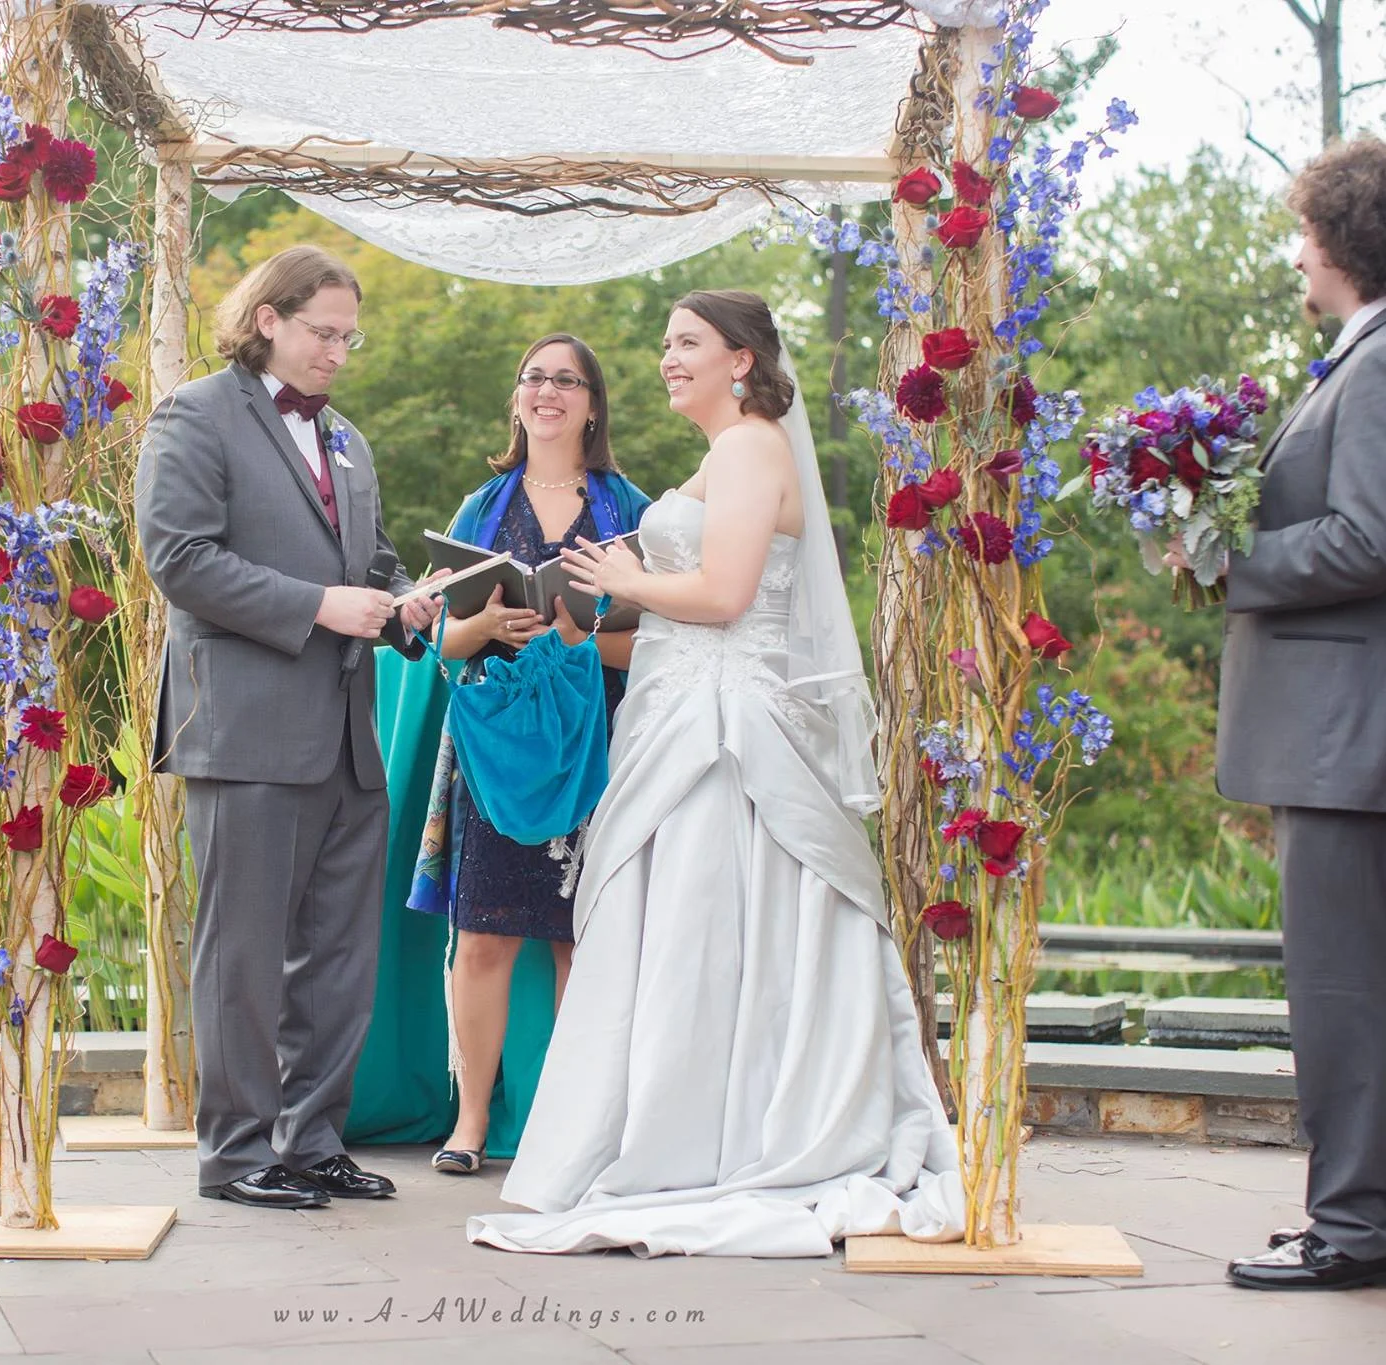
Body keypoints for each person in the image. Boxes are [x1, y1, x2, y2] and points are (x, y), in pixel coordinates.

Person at [467, 290, 961, 1257]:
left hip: (731, 728)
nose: (667, 358)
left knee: (713, 923)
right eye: (663, 344)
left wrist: (619, 578)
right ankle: (688, 1126)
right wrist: (599, 600)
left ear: (741, 359)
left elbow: (726, 595)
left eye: (687, 343)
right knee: (685, 928)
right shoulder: (720, 454)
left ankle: (723, 1135)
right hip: (683, 707)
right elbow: (689, 593)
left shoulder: (750, 444)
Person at [1217, 137, 1386, 1292]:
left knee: (1342, 991)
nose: (1294, 252)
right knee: (1359, 982)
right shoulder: (1376, 353)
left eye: (1305, 231)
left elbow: (1369, 542)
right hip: (1343, 732)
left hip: (1355, 735)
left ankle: (1360, 1231)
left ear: (1347, 239)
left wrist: (1227, 557)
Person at [136, 245, 442, 1211]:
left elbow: (378, 559)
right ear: (268, 317)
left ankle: (311, 1142)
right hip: (245, 731)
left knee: (341, 960)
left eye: (350, 338)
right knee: (243, 955)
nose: (339, 354)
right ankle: (233, 1155)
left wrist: (404, 600)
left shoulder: (347, 437)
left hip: (350, 736)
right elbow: (177, 558)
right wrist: (320, 603)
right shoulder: (193, 414)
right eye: (324, 333)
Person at [406, 334, 652, 1174]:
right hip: (497, 750)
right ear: (517, 400)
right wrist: (472, 629)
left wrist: (580, 638)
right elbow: (439, 636)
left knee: (586, 939)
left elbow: (667, 642)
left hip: (602, 742)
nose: (547, 390)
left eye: (567, 379)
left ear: (592, 404)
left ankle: (581, 1128)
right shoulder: (480, 506)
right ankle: (470, 1123)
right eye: (533, 377)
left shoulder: (633, 509)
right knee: (481, 937)